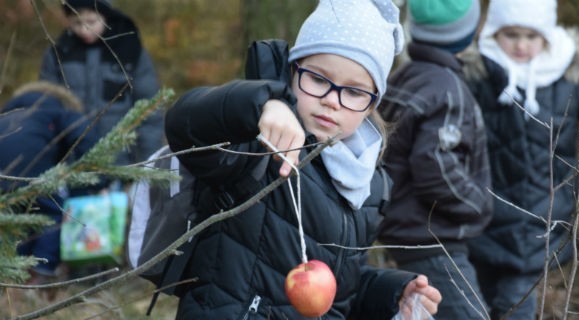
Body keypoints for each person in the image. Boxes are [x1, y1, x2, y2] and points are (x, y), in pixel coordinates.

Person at [163, 0, 441, 319]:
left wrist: (390, 294)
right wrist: (262, 104)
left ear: (371, 104)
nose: (331, 101)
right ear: (294, 70)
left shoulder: (368, 185)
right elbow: (185, 123)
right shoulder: (259, 144)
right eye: (319, 80)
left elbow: (341, 287)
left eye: (353, 92)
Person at [462, 0, 579, 318]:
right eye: (511, 34)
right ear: (495, 32)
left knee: (515, 302)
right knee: (476, 299)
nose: (521, 45)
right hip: (484, 215)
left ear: (547, 36)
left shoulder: (566, 73)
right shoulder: (479, 73)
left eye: (531, 36)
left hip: (539, 218)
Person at [376, 0, 492, 318]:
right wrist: (477, 202)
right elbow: (434, 164)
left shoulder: (405, 76)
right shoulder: (448, 89)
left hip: (403, 227)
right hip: (430, 238)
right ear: (468, 33)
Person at [0, 81, 100, 293]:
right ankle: (42, 273)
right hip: (32, 167)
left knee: (10, 220)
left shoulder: (7, 113)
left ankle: (11, 275)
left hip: (3, 171)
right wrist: (91, 179)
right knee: (52, 214)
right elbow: (85, 137)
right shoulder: (57, 109)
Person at [39, 0, 162, 165]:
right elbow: (44, 107)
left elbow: (149, 110)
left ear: (105, 16)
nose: (84, 30)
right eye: (76, 23)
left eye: (91, 22)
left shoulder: (130, 50)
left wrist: (148, 164)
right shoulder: (58, 52)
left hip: (122, 161)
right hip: (71, 162)